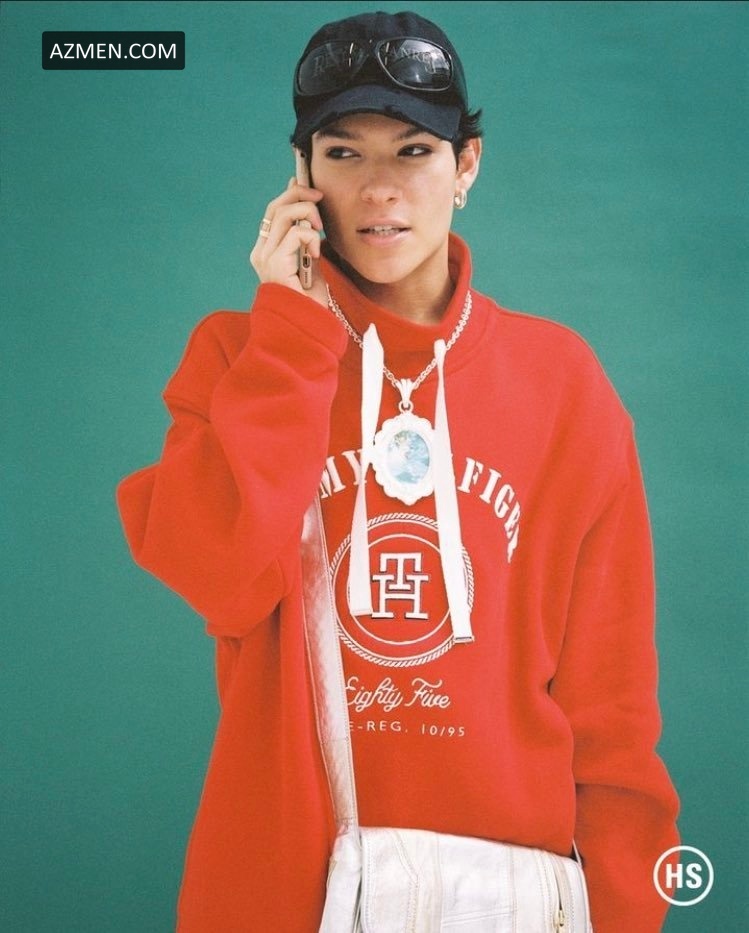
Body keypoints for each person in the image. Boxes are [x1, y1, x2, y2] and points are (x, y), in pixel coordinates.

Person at [117, 10, 680, 932]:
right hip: (286, 887)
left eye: (413, 151)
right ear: (301, 176)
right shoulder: (240, 356)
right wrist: (290, 335)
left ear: (466, 165)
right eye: (342, 154)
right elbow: (218, 572)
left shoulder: (561, 382)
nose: (379, 189)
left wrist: (625, 906)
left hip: (514, 890)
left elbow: (611, 702)